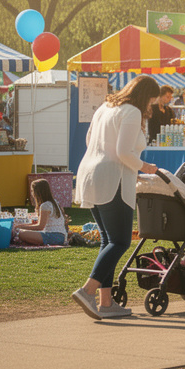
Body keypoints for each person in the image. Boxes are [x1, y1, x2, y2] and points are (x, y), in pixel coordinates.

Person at [73, 75, 161, 320]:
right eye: (151, 101)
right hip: (113, 180)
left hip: (91, 173)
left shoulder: (105, 107)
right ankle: (88, 291)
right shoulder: (132, 112)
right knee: (120, 242)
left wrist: (129, 166)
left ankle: (106, 303)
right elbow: (124, 152)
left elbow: (90, 140)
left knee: (107, 241)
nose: (150, 107)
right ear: (145, 96)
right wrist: (144, 166)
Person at [15, 178, 68, 246]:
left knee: (21, 234)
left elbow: (40, 226)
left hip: (54, 236)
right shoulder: (54, 202)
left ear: (37, 192)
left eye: (32, 191)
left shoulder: (45, 205)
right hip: (60, 236)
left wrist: (21, 227)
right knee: (24, 232)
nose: (31, 193)